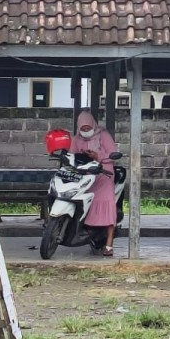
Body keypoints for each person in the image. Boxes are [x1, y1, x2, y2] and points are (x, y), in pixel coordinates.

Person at [68, 109, 119, 256]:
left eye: (88, 128)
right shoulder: (76, 139)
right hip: (85, 177)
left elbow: (112, 153)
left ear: (93, 125)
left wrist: (98, 156)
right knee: (84, 206)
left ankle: (109, 245)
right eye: (83, 129)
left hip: (104, 175)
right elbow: (72, 155)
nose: (86, 131)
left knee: (107, 207)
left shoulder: (103, 135)